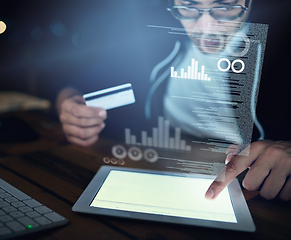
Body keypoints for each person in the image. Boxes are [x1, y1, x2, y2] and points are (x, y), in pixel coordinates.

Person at [56, 0, 291, 201]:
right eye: (189, 7)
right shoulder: (152, 35)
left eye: (225, 7)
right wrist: (70, 107)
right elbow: (80, 86)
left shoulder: (281, 38)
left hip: (256, 194)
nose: (206, 27)